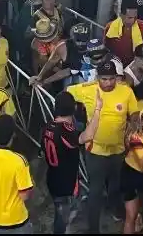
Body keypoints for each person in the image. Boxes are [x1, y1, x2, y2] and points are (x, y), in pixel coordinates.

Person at [67, 56, 139, 233]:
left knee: (115, 185)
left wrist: (132, 126)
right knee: (95, 191)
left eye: (111, 78)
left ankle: (115, 211)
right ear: (97, 78)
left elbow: (135, 114)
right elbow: (66, 94)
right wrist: (69, 118)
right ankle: (93, 228)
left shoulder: (126, 92)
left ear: (117, 77)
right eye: (104, 79)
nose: (108, 83)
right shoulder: (87, 89)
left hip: (118, 150)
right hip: (95, 150)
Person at [42, 90, 102, 234]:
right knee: (64, 220)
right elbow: (88, 135)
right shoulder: (66, 131)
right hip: (66, 184)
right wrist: (98, 109)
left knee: (60, 212)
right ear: (73, 108)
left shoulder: (47, 126)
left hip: (52, 178)